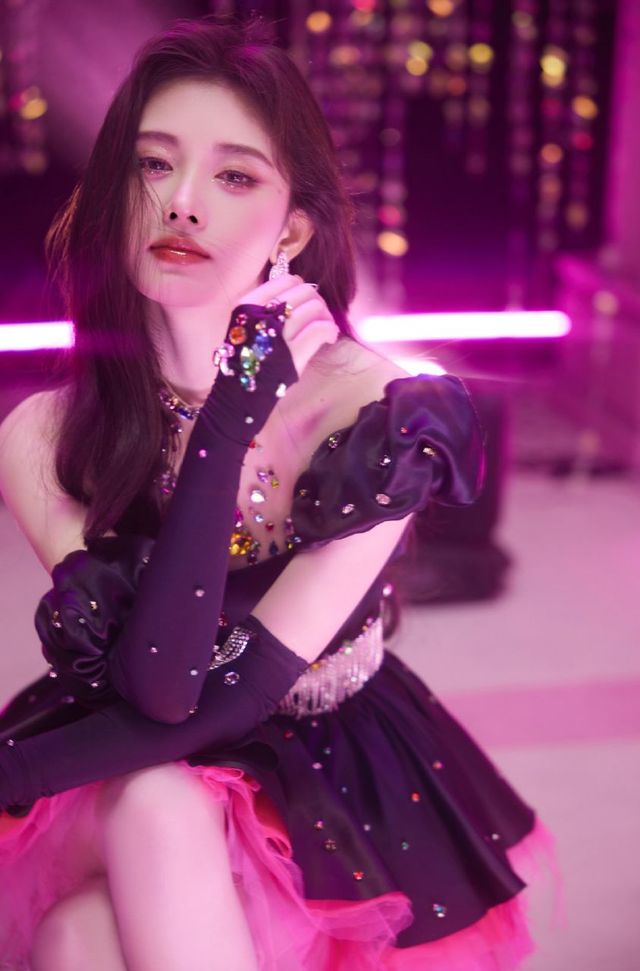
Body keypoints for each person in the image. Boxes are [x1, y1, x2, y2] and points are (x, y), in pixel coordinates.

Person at [0, 16, 548, 971]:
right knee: (133, 834)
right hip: (132, 739)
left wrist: (232, 415)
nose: (182, 204)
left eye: (235, 177)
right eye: (153, 165)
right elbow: (160, 685)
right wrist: (227, 418)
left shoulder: (378, 413)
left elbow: (230, 697)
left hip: (322, 759)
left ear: (292, 227)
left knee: (81, 926)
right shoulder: (43, 433)